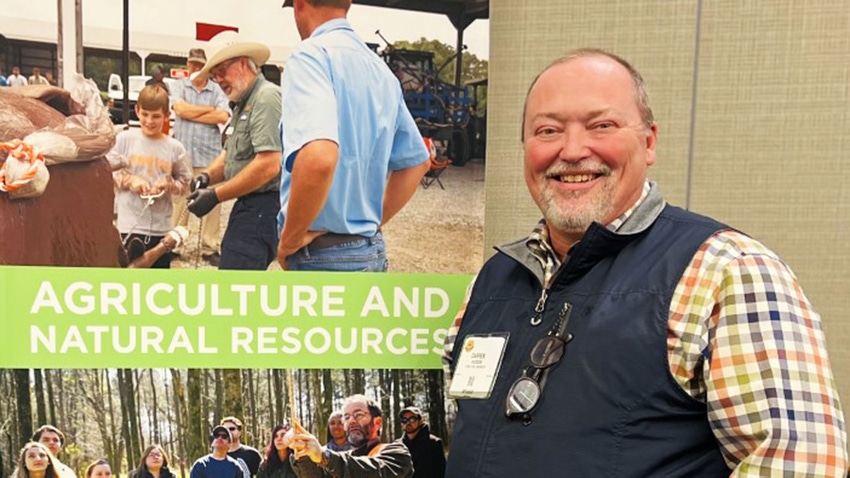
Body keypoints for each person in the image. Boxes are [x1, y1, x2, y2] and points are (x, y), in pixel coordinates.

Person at [442, 48, 849, 477]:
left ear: (649, 141)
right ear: (525, 146)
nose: (573, 150)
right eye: (547, 130)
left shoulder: (726, 272)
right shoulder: (491, 280)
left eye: (602, 125)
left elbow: (798, 465)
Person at [276, 0, 430, 272]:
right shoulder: (380, 70)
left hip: (322, 255)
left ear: (299, 5)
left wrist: (290, 240)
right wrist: (370, 224)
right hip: (369, 250)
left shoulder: (310, 57)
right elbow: (418, 162)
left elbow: (319, 158)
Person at [189, 31, 281, 270]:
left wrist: (216, 195)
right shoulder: (244, 102)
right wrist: (206, 177)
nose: (218, 79)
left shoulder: (266, 97)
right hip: (252, 205)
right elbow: (231, 154)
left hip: (264, 205)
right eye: (214, 75)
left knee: (235, 282)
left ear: (242, 62)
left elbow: (269, 164)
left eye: (221, 71)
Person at [106, 85, 192, 268]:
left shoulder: (175, 148)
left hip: (161, 229)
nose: (149, 121)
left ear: (167, 115)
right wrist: (130, 180)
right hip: (128, 226)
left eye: (156, 116)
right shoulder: (124, 140)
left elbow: (185, 185)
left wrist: (169, 184)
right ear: (137, 110)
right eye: (145, 114)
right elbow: (107, 173)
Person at [170, 47, 230, 266]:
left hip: (209, 156)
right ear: (187, 65)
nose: (195, 68)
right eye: (192, 64)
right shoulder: (179, 86)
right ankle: (175, 243)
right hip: (183, 155)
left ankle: (210, 246)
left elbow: (223, 115)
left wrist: (190, 111)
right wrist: (207, 111)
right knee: (179, 201)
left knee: (212, 202)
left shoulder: (217, 89)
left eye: (199, 64)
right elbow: (179, 109)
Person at [287, 394, 413, 478]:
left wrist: (324, 455)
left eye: (358, 415)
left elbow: (374, 471)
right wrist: (303, 450)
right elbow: (314, 475)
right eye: (346, 417)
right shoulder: (343, 458)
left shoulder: (397, 452)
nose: (351, 421)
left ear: (377, 422)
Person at [398, 407, 444, 478]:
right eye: (404, 420)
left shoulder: (433, 443)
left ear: (420, 421)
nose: (408, 422)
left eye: (412, 419)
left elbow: (441, 472)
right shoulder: (398, 446)